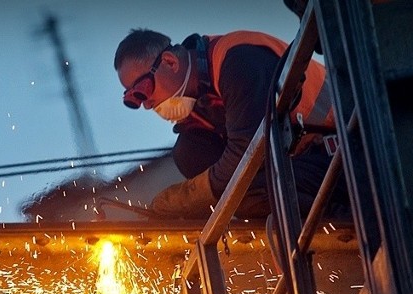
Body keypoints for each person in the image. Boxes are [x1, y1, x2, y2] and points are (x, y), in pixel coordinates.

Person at [114, 28, 351, 220]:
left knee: (244, 193)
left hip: (349, 151)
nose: (146, 104)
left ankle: (340, 222)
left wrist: (188, 198)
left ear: (169, 62)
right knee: (190, 153)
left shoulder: (238, 61)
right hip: (304, 163)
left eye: (143, 90)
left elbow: (247, 152)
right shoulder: (200, 110)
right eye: (135, 99)